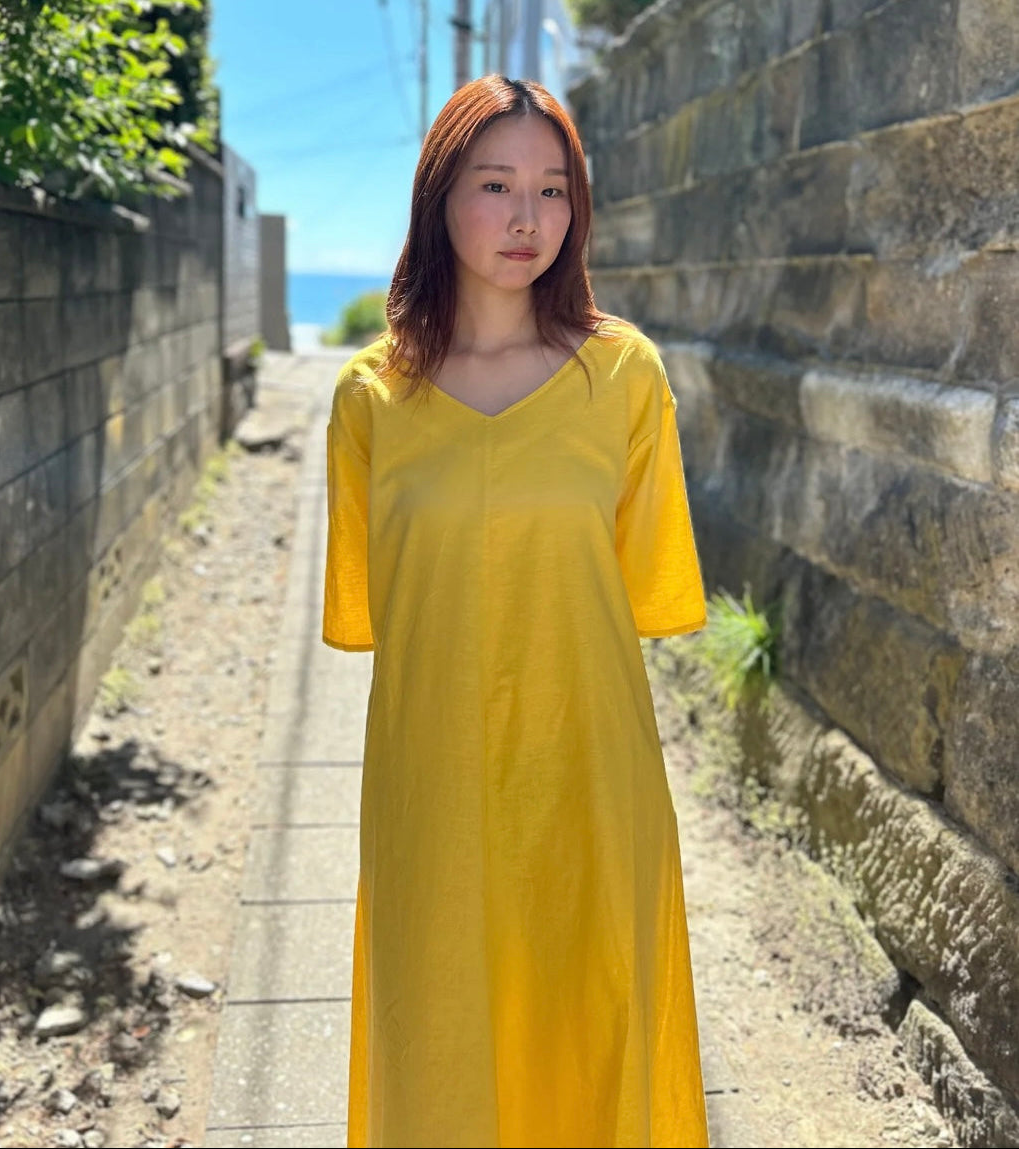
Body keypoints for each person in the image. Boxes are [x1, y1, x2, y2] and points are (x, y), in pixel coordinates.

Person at [323, 74, 709, 1149]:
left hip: (589, 768)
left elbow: (647, 583)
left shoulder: (623, 375)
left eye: (553, 188)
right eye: (494, 184)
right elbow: (374, 608)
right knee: (434, 1030)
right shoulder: (370, 396)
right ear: (439, 196)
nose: (527, 217)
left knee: (593, 1027)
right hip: (431, 775)